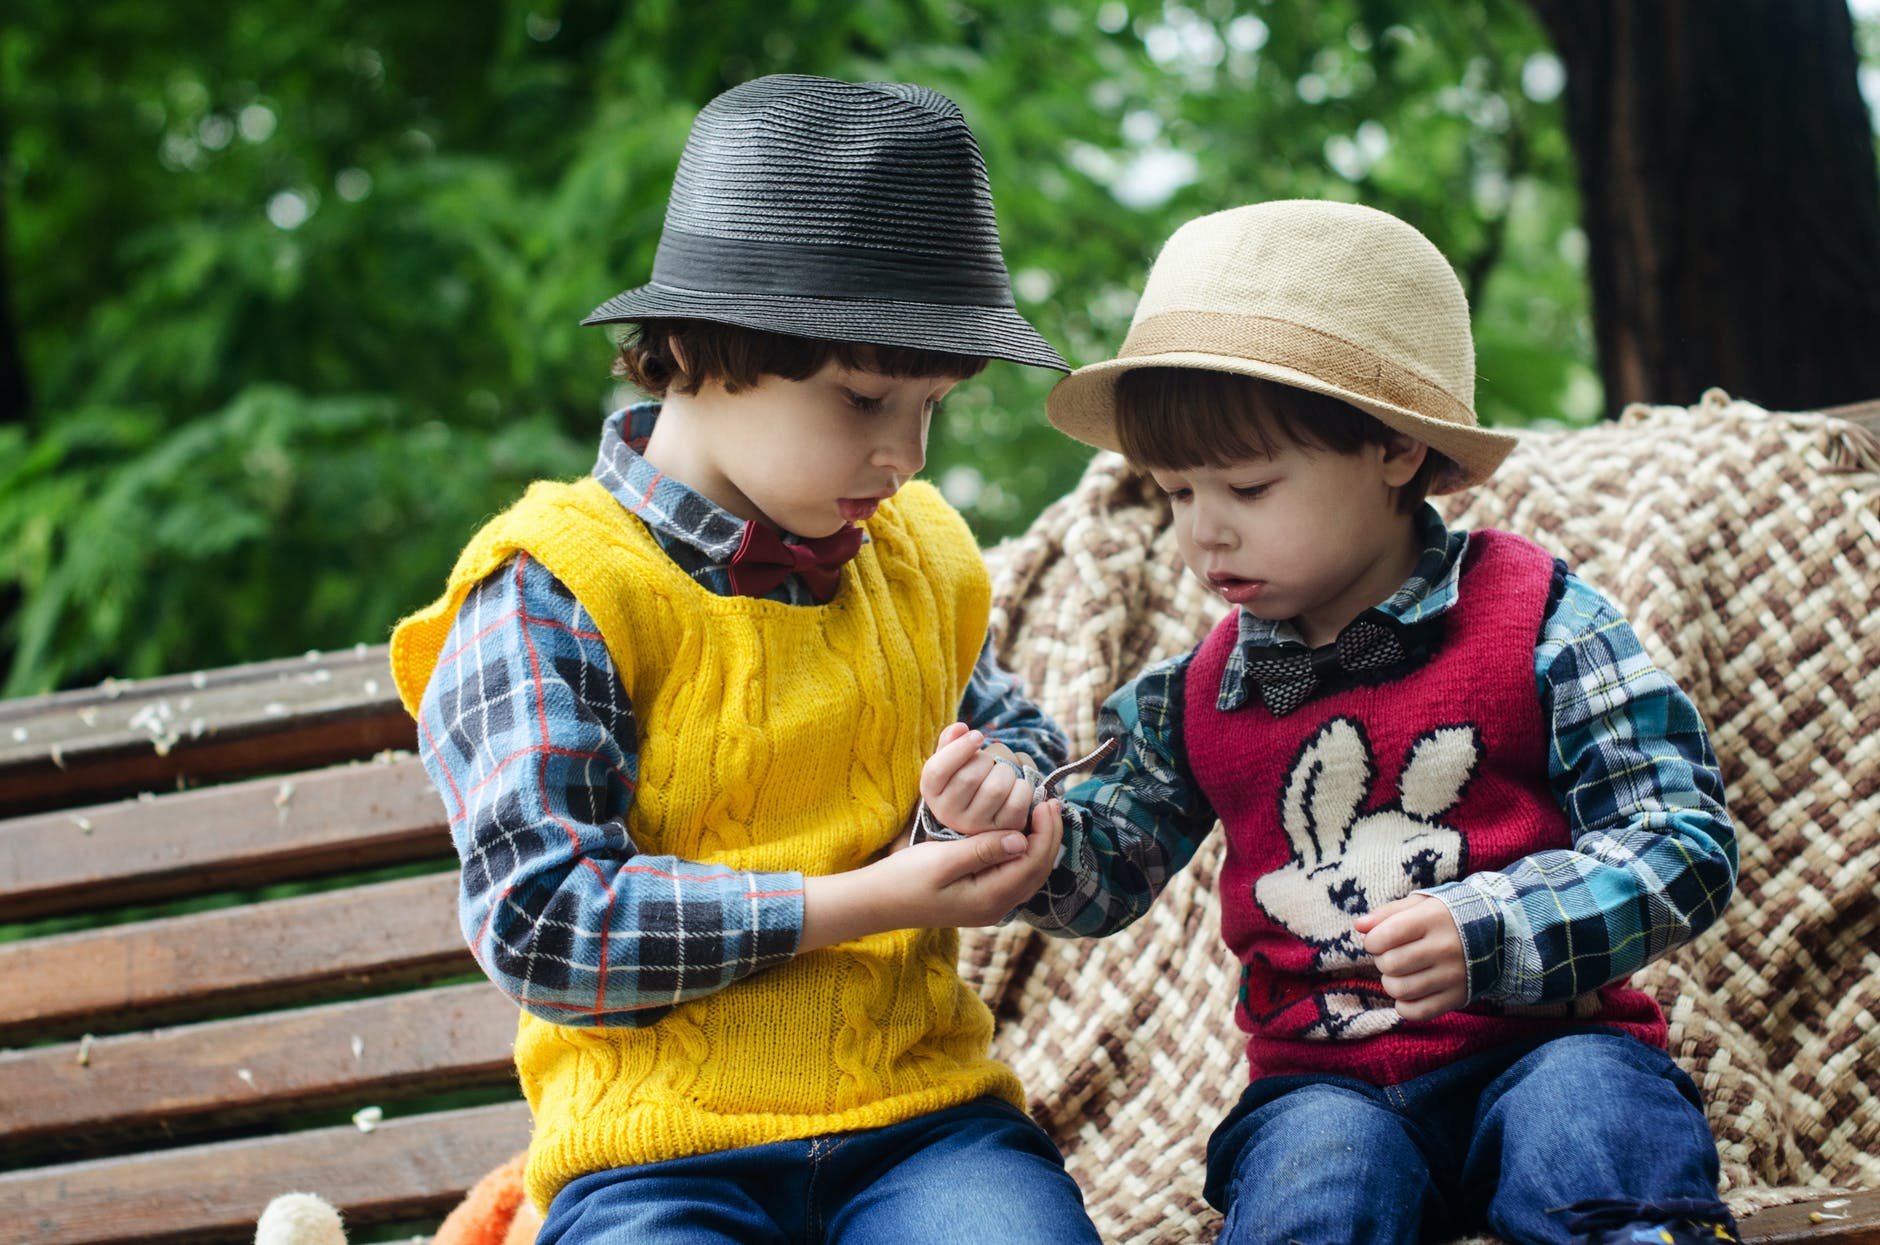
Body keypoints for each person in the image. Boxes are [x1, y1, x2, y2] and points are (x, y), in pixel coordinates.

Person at [919, 200, 1741, 1245]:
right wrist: (1010, 828)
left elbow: (1682, 842)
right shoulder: (1197, 694)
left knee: (1591, 1139)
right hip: (1324, 1086)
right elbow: (1100, 874)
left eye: (1248, 485)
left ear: (1395, 451)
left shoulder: (1537, 618)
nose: (1200, 531)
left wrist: (1492, 928)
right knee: (1314, 1186)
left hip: (1548, 1045)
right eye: (1173, 492)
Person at [389, 74, 1100, 1245]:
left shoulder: (915, 554)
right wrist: (861, 901)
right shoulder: (554, 587)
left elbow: (1011, 732)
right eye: (864, 395)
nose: (904, 455)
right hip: (655, 1158)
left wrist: (986, 801)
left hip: (923, 1126)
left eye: (934, 406)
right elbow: (543, 924)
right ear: (688, 348)